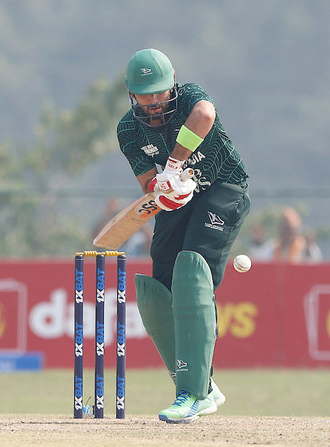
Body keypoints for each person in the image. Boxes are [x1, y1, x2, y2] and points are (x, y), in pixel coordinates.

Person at [117, 48, 250, 423]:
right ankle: (202, 383)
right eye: (146, 96)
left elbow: (206, 115)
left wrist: (173, 166)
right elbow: (148, 183)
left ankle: (193, 394)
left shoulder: (190, 97)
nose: (155, 102)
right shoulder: (128, 129)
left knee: (192, 272)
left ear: (172, 84)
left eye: (160, 93)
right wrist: (164, 188)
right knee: (160, 284)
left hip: (224, 187)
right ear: (132, 94)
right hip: (180, 199)